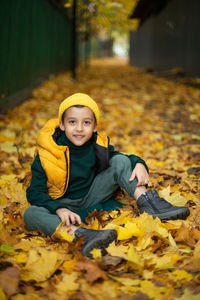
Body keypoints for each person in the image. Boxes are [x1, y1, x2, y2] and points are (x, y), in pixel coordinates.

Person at [24, 93, 190, 258]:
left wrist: (139, 163)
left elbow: (119, 158)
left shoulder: (97, 146)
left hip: (91, 196)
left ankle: (149, 204)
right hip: (61, 205)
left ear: (95, 126)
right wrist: (58, 209)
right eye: (72, 122)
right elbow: (34, 192)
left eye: (86, 122)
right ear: (62, 124)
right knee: (31, 213)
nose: (79, 128)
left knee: (120, 161)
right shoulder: (47, 154)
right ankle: (80, 235)